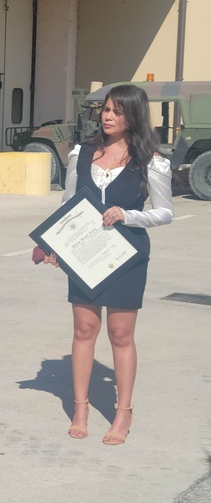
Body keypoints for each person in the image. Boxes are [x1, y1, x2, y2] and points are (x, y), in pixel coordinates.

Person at [42, 84, 173, 444]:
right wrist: (56, 245)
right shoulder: (81, 154)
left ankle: (122, 413)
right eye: (106, 110)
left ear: (133, 115)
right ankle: (80, 407)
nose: (108, 116)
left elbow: (165, 213)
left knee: (120, 334)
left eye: (117, 111)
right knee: (84, 330)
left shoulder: (153, 161)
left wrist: (128, 215)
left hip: (126, 254)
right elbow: (68, 204)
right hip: (84, 253)